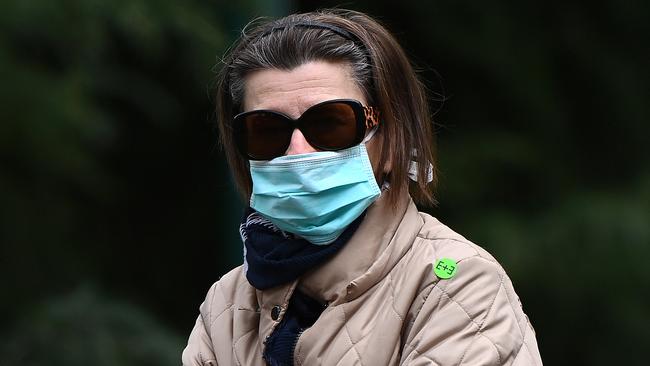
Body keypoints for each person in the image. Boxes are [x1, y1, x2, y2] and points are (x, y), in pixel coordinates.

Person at [183, 9, 542, 366]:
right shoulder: (227, 304)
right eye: (267, 130)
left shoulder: (455, 282)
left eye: (330, 124)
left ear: (390, 139)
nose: (298, 151)